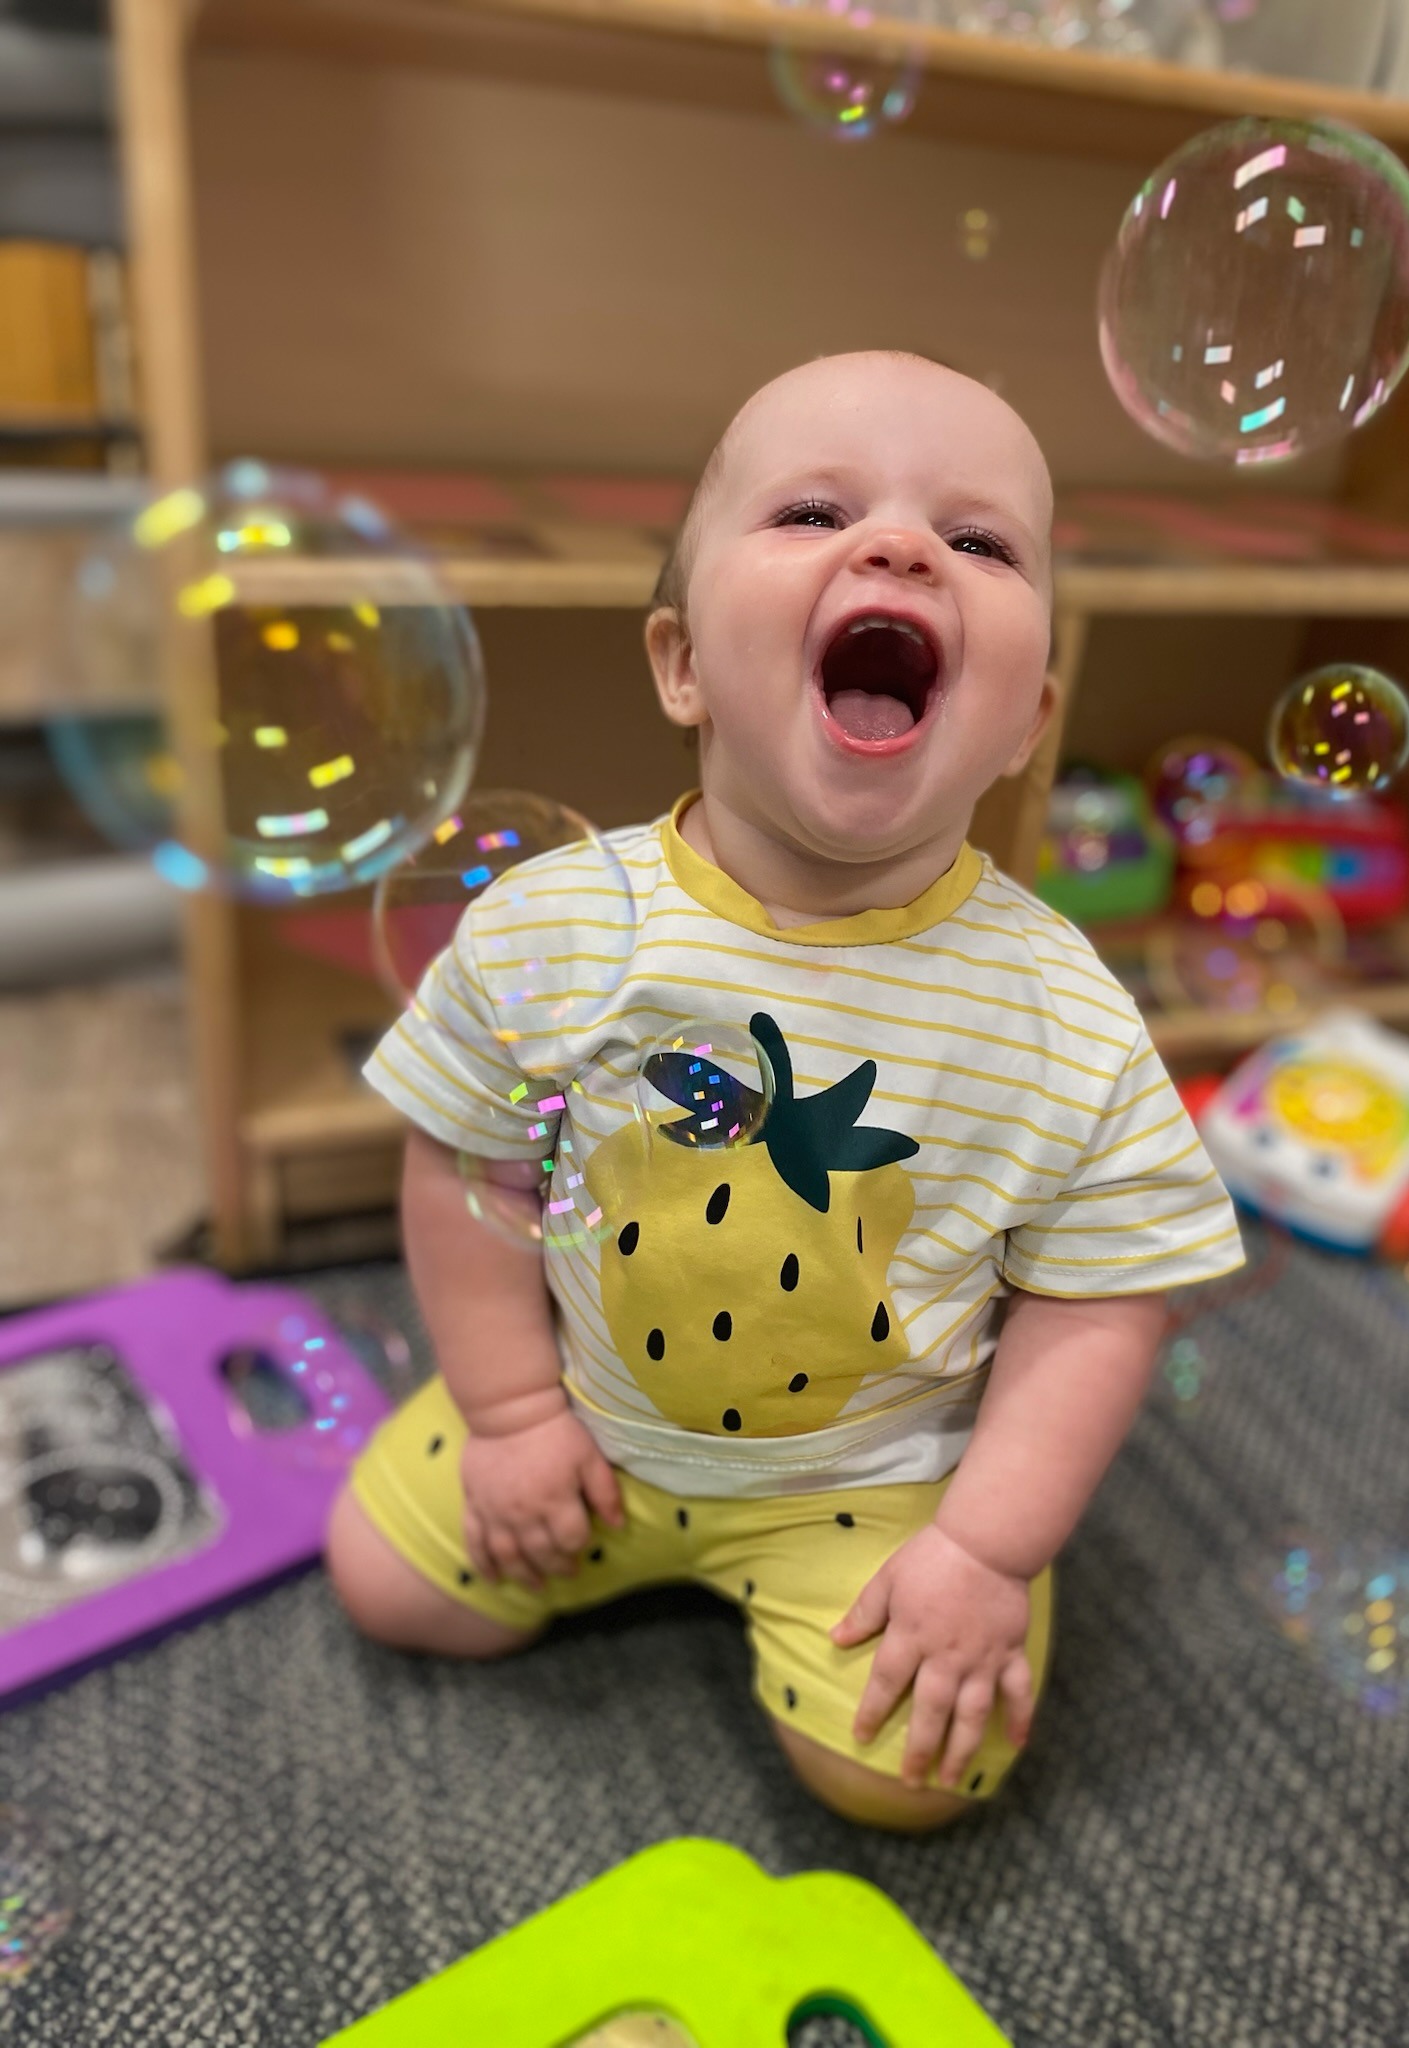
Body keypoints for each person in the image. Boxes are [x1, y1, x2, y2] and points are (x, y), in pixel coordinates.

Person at [327, 350, 1243, 1832]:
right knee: (383, 1586)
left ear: (1026, 720)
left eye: (981, 540)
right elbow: (468, 1169)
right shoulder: (559, 926)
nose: (901, 547)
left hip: (883, 1486)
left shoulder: (1066, 1012)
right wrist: (508, 1413)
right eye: (815, 511)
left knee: (910, 1777)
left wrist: (986, 1551)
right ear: (682, 663)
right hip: (587, 1423)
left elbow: (1101, 1305)